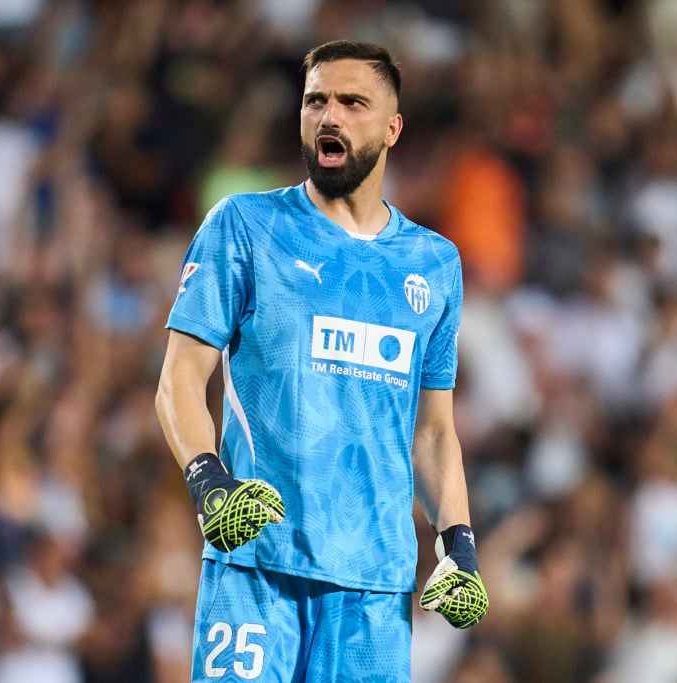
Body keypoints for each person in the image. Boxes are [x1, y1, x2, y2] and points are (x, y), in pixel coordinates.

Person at [154, 39, 488, 682]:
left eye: (352, 102)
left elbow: (434, 430)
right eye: (316, 101)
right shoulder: (245, 227)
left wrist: (458, 543)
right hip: (258, 566)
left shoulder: (434, 264)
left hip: (374, 588)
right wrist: (208, 481)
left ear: (392, 128)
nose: (329, 116)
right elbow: (178, 380)